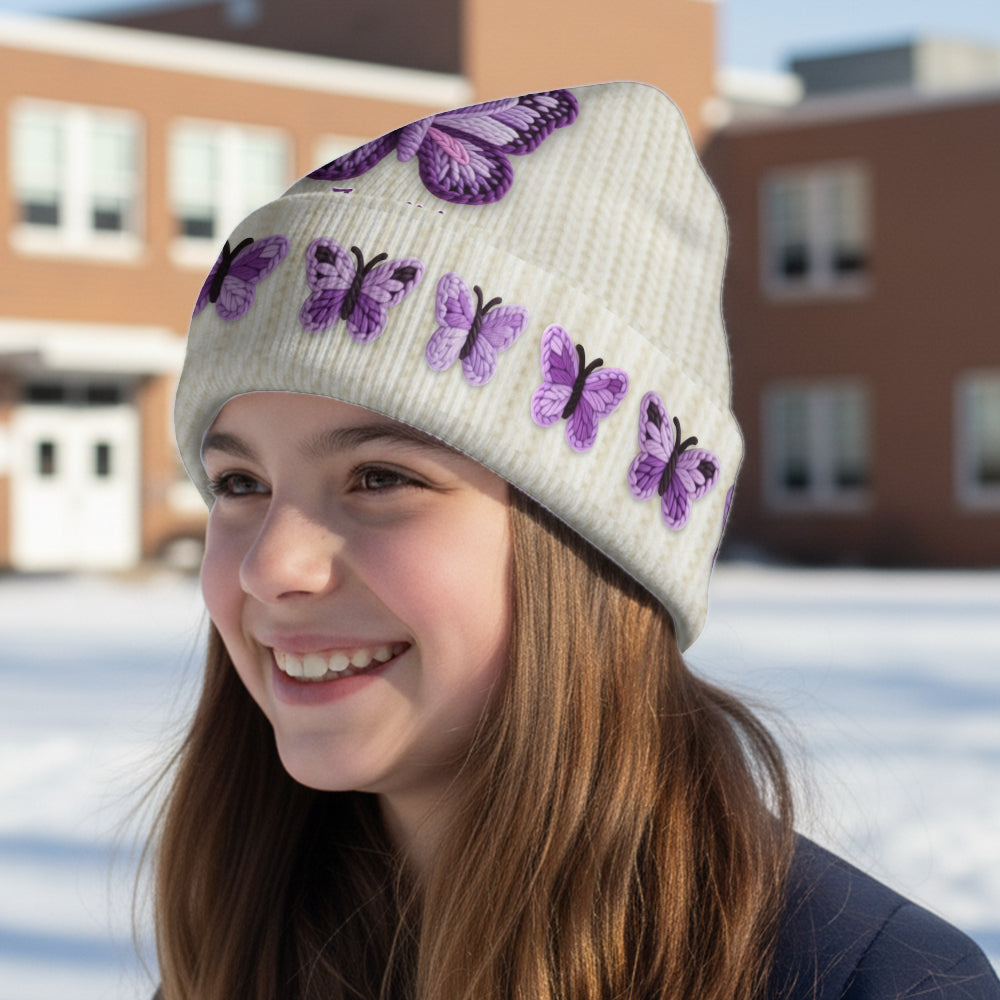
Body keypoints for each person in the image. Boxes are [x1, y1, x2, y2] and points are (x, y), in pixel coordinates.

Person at [157, 82, 999, 999]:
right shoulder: (244, 948)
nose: (271, 565)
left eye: (381, 478)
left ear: (595, 547)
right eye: (239, 483)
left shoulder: (876, 984)